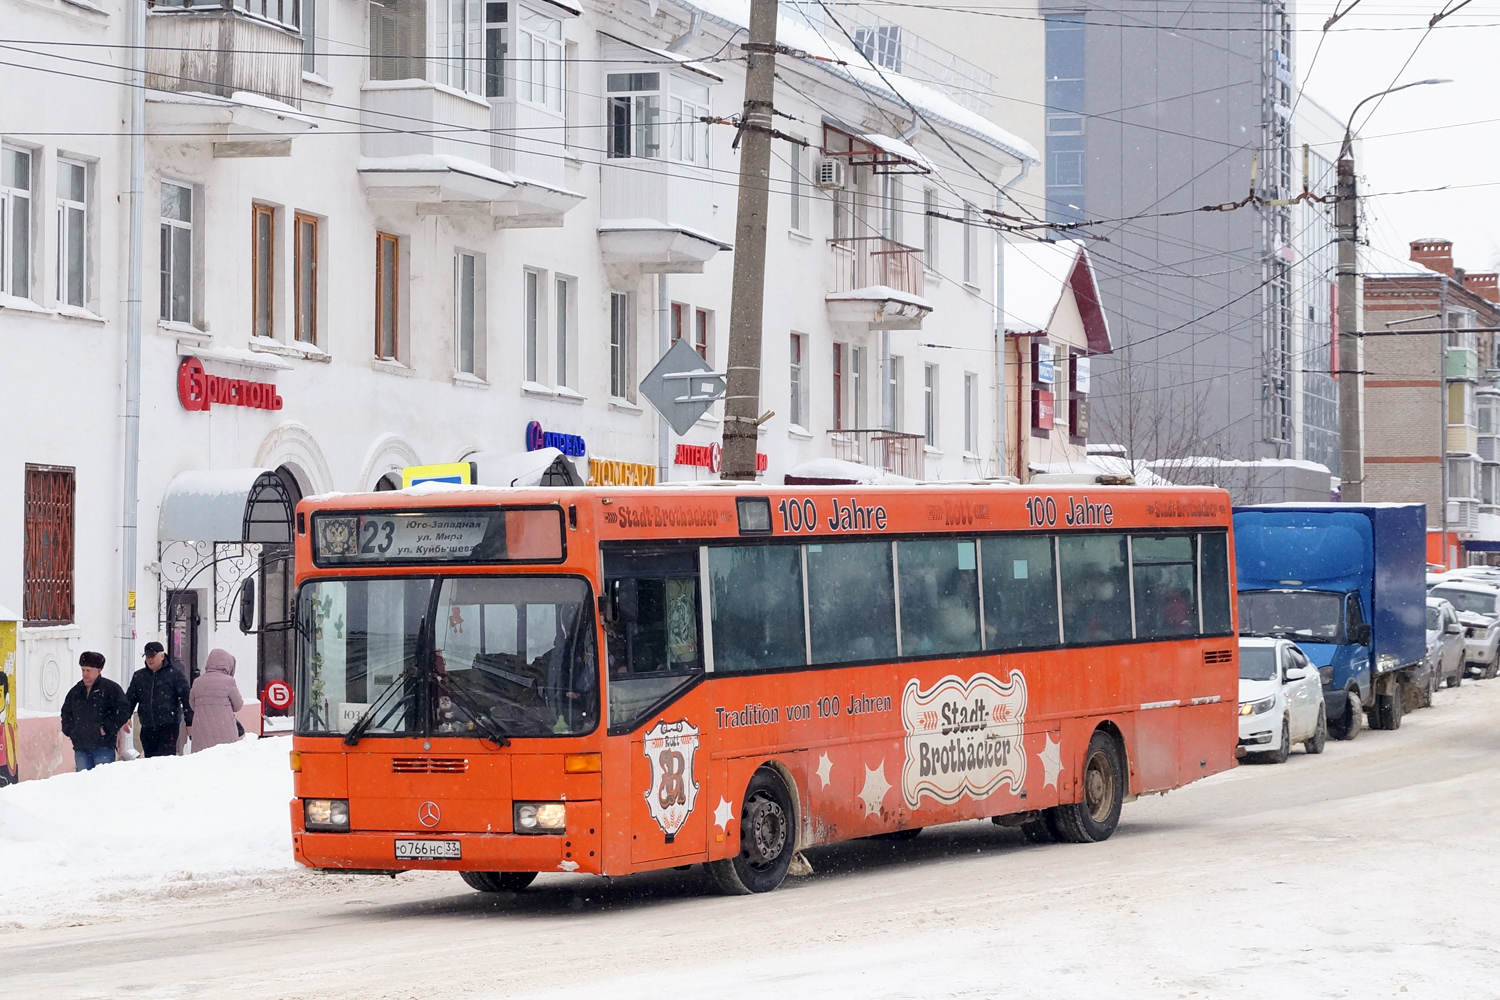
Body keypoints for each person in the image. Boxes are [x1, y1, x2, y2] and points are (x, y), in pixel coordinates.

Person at [60, 651, 129, 771]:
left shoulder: (110, 689)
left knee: (103, 781)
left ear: (99, 670)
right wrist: (71, 731)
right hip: (81, 747)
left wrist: (106, 728)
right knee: (84, 782)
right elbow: (66, 713)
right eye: (83, 670)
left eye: (88, 670)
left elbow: (123, 710)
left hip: (103, 746)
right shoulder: (75, 692)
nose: (85, 674)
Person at [124, 641, 193, 758]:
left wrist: (189, 722)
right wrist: (126, 716)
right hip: (147, 726)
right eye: (147, 656)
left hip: (169, 725)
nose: (149, 659)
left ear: (162, 656)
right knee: (150, 758)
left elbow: (186, 698)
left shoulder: (175, 674)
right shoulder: (139, 676)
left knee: (165, 759)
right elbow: (130, 698)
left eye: (152, 656)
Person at [188, 648, 244, 753]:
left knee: (202, 762)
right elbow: (238, 705)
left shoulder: (197, 682)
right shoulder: (229, 681)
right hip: (225, 729)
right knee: (224, 761)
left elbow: (192, 704)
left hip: (201, 730)